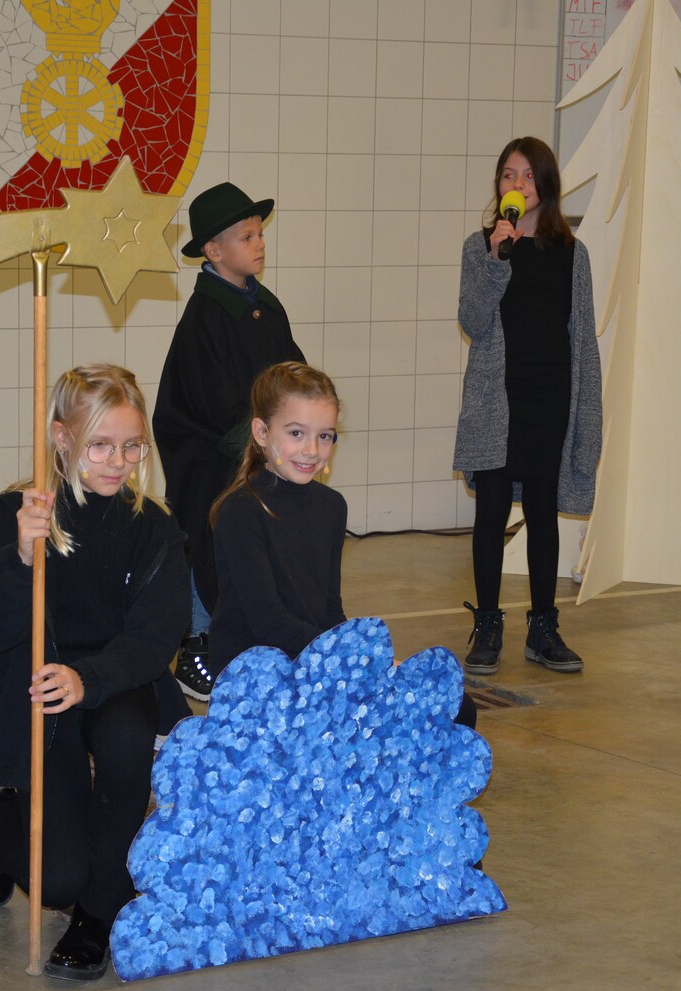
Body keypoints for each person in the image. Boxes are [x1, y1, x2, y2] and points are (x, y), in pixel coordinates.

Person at [0, 364, 189, 981]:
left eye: (132, 446)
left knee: (127, 737)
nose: (119, 462)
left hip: (118, 682)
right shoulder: (21, 514)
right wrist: (20, 557)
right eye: (100, 446)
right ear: (61, 438)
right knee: (58, 878)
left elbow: (156, 637)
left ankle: (97, 914)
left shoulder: (154, 528)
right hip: (43, 693)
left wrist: (89, 678)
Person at [209, 362, 477, 729]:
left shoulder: (331, 507)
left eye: (325, 436)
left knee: (457, 708)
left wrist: (366, 662)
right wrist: (354, 658)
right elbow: (269, 621)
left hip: (318, 661)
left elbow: (329, 609)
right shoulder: (241, 511)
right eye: (296, 433)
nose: (311, 450)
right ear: (261, 432)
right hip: (257, 673)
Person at [453, 136, 602, 676]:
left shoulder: (572, 254)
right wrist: (499, 258)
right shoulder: (481, 246)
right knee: (491, 508)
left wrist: (588, 413)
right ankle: (488, 623)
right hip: (498, 396)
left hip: (550, 395)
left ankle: (543, 628)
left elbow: (583, 337)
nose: (517, 184)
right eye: (508, 175)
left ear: (546, 186)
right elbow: (473, 320)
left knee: (542, 509)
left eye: (528, 176)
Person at [153, 182, 305, 704]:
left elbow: (292, 375)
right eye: (247, 237)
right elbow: (213, 403)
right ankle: (197, 643)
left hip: (256, 451)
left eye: (259, 234)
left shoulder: (267, 307)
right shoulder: (205, 317)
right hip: (208, 457)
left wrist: (299, 426)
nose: (259, 244)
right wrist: (264, 442)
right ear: (213, 252)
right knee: (209, 539)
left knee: (256, 546)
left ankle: (258, 638)